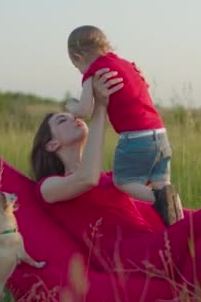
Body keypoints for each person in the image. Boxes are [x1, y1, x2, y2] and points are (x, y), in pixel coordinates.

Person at [32, 68, 201, 302]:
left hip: (157, 239)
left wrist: (136, 92)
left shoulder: (111, 177)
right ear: (51, 145)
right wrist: (100, 108)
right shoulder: (48, 187)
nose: (74, 119)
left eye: (73, 116)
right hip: (129, 255)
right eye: (62, 121)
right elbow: (86, 178)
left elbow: (159, 186)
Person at [64, 25, 181, 226]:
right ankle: (178, 222)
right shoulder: (126, 65)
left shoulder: (94, 71)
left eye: (77, 67)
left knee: (123, 182)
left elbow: (84, 109)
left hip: (136, 138)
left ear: (78, 56)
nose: (80, 71)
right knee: (162, 185)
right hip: (160, 134)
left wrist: (71, 107)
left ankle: (161, 200)